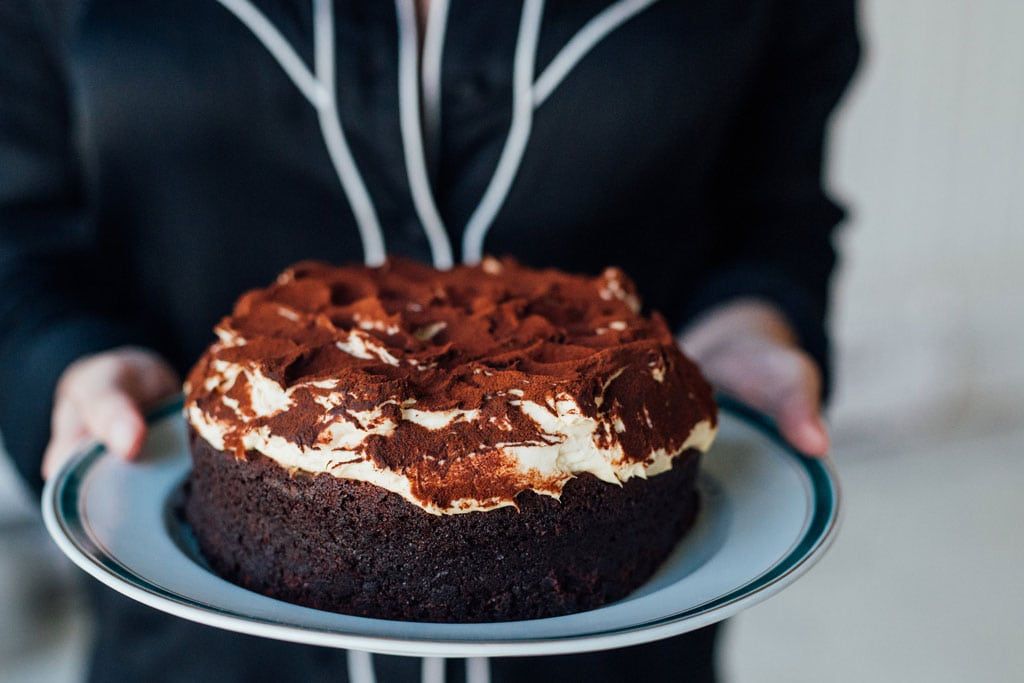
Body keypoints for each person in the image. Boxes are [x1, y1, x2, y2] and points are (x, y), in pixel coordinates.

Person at [0, 0, 858, 681]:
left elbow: (774, 206)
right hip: (199, 656)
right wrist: (67, 358)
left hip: (625, 638)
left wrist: (757, 316)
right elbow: (17, 229)